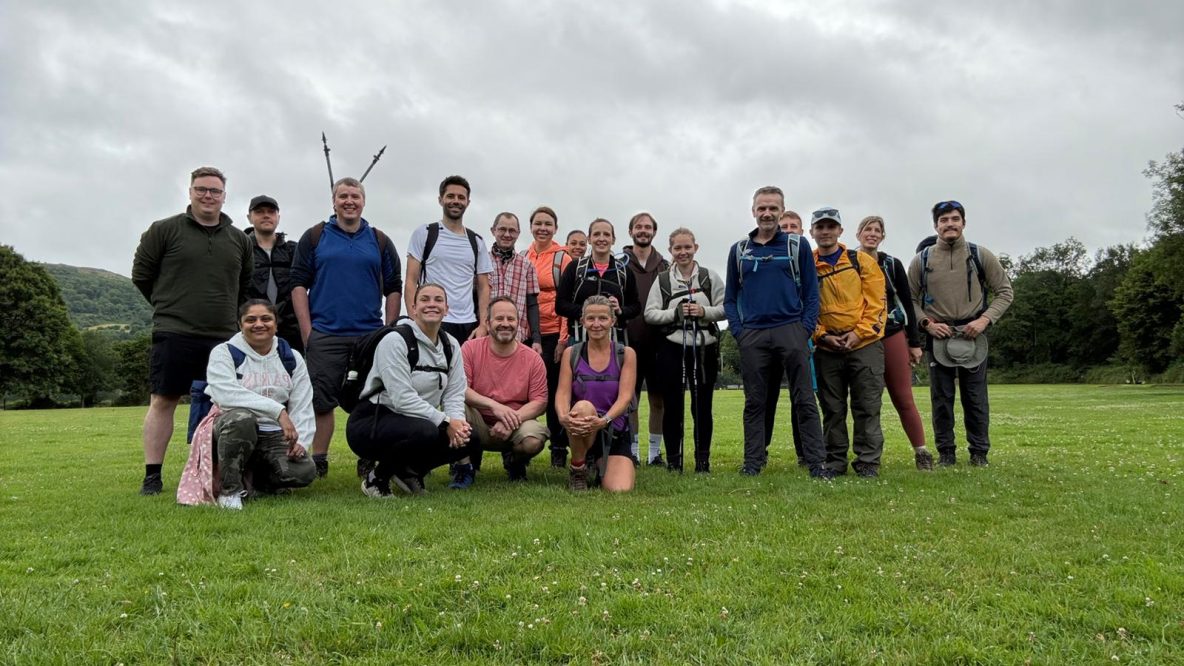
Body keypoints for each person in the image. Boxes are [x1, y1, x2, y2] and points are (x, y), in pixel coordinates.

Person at [131, 166, 253, 495]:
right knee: (163, 400)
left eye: (214, 191)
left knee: (229, 404)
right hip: (174, 331)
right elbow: (142, 275)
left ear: (224, 196)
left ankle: (224, 473)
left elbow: (244, 286)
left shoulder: (240, 239)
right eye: (201, 189)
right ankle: (152, 476)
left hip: (223, 337)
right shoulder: (164, 230)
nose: (207, 195)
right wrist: (168, 306)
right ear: (190, 192)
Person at [290, 177, 402, 479]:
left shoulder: (379, 240)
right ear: (334, 201)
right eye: (343, 196)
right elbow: (298, 284)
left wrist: (389, 329)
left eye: (355, 196)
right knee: (321, 401)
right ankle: (319, 459)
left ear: (363, 201)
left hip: (369, 335)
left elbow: (394, 287)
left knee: (371, 401)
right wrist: (307, 331)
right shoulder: (314, 237)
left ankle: (368, 456)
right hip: (325, 334)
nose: (349, 201)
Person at [723, 186, 830, 478]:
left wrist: (804, 329)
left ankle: (816, 463)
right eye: (761, 208)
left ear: (781, 211)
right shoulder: (739, 251)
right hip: (753, 335)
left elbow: (811, 294)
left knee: (804, 399)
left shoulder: (797, 247)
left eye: (772, 208)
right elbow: (730, 297)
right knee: (755, 402)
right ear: (753, 211)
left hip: (791, 331)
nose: (767, 213)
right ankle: (753, 463)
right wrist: (739, 332)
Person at [908, 200, 1013, 466]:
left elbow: (1005, 292)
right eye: (944, 220)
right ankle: (946, 453)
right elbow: (908, 299)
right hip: (939, 335)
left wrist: (985, 320)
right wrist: (926, 324)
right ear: (936, 226)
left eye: (955, 219)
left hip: (972, 334)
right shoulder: (922, 259)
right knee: (941, 399)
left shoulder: (981, 255)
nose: (950, 224)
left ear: (963, 223)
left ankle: (979, 453)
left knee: (975, 398)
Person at [345, 283, 474, 496]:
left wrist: (457, 424)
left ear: (447, 309)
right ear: (413, 308)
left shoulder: (451, 344)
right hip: (371, 421)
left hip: (418, 422)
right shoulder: (395, 340)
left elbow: (454, 392)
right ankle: (376, 480)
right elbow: (401, 398)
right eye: (424, 300)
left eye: (438, 300)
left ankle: (408, 471)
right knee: (426, 431)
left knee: (470, 438)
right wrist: (445, 422)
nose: (431, 304)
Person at [198, 300, 317, 509]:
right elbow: (225, 394)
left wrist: (302, 441)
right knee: (242, 419)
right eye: (250, 320)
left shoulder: (291, 357)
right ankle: (230, 491)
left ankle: (259, 482)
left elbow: (302, 402)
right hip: (232, 428)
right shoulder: (224, 353)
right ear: (240, 324)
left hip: (273, 433)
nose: (259, 324)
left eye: (266, 319)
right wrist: (278, 410)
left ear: (276, 324)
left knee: (304, 472)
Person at [809, 208, 887, 477]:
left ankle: (867, 461)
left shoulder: (862, 261)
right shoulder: (807, 265)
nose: (826, 232)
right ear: (812, 232)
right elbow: (804, 308)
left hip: (865, 345)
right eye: (820, 227)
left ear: (841, 231)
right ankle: (835, 462)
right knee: (832, 409)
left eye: (831, 226)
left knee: (867, 406)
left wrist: (858, 333)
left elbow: (878, 304)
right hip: (827, 347)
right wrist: (822, 335)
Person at [855, 215, 934, 470]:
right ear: (858, 234)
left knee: (903, 396)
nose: (872, 234)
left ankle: (921, 451)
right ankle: (866, 456)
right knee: (866, 400)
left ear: (882, 236)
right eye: (868, 229)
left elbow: (907, 304)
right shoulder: (848, 262)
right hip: (862, 336)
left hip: (891, 331)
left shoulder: (891, 264)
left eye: (877, 230)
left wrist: (914, 341)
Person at [643, 228, 725, 472]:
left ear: (695, 248)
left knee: (702, 405)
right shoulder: (663, 280)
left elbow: (726, 308)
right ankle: (674, 462)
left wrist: (703, 312)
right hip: (673, 347)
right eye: (677, 248)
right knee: (672, 405)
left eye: (687, 247)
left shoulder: (710, 277)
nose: (683, 252)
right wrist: (674, 313)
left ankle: (702, 461)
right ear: (670, 251)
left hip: (704, 347)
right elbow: (650, 313)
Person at [461, 297, 550, 482]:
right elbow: (461, 389)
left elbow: (540, 401)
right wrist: (493, 405)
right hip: (479, 421)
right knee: (455, 409)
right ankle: (464, 467)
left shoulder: (533, 359)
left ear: (519, 323)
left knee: (533, 440)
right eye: (499, 318)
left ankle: (515, 463)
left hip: (516, 422)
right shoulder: (470, 349)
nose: (505, 324)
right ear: (487, 322)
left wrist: (510, 421)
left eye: (511, 319)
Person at [555, 296, 638, 492]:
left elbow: (625, 397)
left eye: (602, 318)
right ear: (582, 321)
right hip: (581, 425)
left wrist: (605, 420)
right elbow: (562, 394)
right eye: (591, 319)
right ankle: (578, 468)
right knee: (583, 407)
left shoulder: (626, 354)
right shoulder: (571, 353)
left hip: (613, 430)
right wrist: (563, 416)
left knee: (619, 489)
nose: (596, 324)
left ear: (612, 321)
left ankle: (599, 463)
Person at [404, 175, 493, 342]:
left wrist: (483, 325)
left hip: (468, 324)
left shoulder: (477, 241)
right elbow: (410, 280)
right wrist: (413, 319)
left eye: (461, 197)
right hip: (432, 320)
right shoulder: (424, 233)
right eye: (450, 196)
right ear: (440, 200)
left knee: (464, 369)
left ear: (468, 202)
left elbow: (483, 287)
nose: (456, 201)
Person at [523, 206, 573, 467]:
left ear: (555, 228)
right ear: (531, 226)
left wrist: (563, 340)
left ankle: (558, 449)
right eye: (538, 223)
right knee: (524, 392)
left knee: (555, 392)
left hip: (554, 333)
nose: (542, 228)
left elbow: (566, 301)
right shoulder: (524, 256)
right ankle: (519, 447)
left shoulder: (562, 258)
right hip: (528, 334)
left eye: (548, 224)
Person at [620, 212, 670, 465]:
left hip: (658, 342)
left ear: (654, 232)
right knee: (630, 400)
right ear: (630, 231)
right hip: (628, 340)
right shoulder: (619, 262)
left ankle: (654, 454)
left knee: (658, 399)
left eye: (648, 227)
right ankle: (633, 452)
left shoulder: (665, 265)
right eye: (638, 227)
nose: (643, 230)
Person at [555, 219, 641, 347]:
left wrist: (619, 310)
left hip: (615, 341)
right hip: (580, 340)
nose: (601, 238)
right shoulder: (575, 268)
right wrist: (588, 312)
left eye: (606, 234)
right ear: (589, 239)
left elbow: (636, 307)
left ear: (613, 240)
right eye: (596, 234)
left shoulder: (624, 271)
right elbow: (560, 305)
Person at [244, 195, 302, 351]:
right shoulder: (241, 249)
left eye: (271, 211)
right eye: (259, 212)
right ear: (249, 217)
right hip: (252, 327)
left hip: (290, 328)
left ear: (278, 217)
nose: (266, 215)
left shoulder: (294, 250)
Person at [774, 209, 807, 465]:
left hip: (801, 336)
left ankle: (805, 452)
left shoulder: (806, 257)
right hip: (768, 336)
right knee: (764, 398)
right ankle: (757, 456)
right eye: (783, 226)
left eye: (792, 226)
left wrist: (806, 330)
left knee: (803, 397)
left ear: (802, 231)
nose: (787, 230)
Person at [487, 212, 543, 352]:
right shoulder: (482, 262)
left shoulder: (526, 265)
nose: (507, 234)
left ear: (518, 233)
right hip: (487, 335)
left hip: (517, 337)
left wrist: (536, 338)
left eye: (512, 230)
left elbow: (532, 304)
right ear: (493, 231)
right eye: (502, 229)